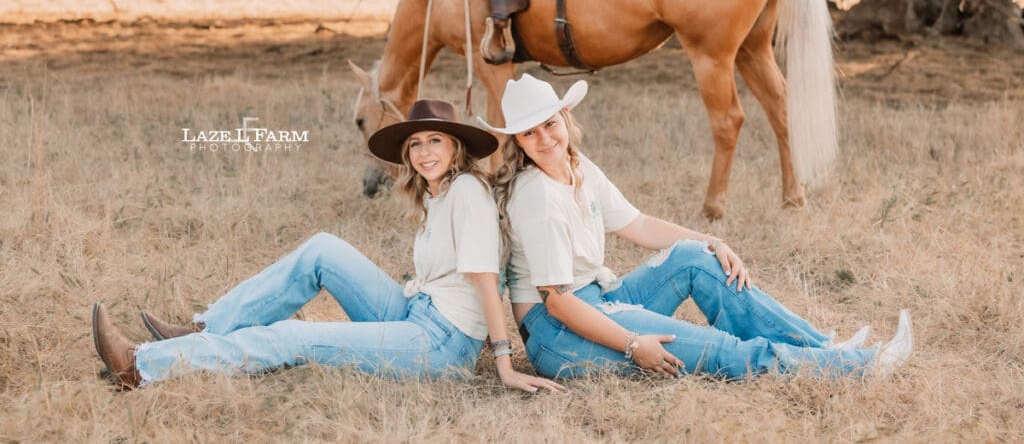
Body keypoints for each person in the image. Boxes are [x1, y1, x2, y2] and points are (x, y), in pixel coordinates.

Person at [92, 99, 564, 394]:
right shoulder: (439, 194)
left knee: (292, 338)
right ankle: (202, 329)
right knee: (322, 249)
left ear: (456, 147)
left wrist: (502, 363)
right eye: (416, 143)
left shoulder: (466, 194)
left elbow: (486, 281)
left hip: (440, 344)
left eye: (435, 140)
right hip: (415, 312)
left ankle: (141, 366)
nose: (424, 152)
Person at [482, 74, 913, 381]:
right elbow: (558, 303)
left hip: (599, 299)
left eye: (550, 124)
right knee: (718, 349)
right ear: (517, 141)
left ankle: (824, 347)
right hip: (557, 333)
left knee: (696, 258)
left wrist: (711, 240)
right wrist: (634, 344)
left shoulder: (578, 167)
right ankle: (861, 368)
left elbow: (639, 224)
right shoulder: (536, 196)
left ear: (565, 116)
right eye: (529, 133)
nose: (544, 139)